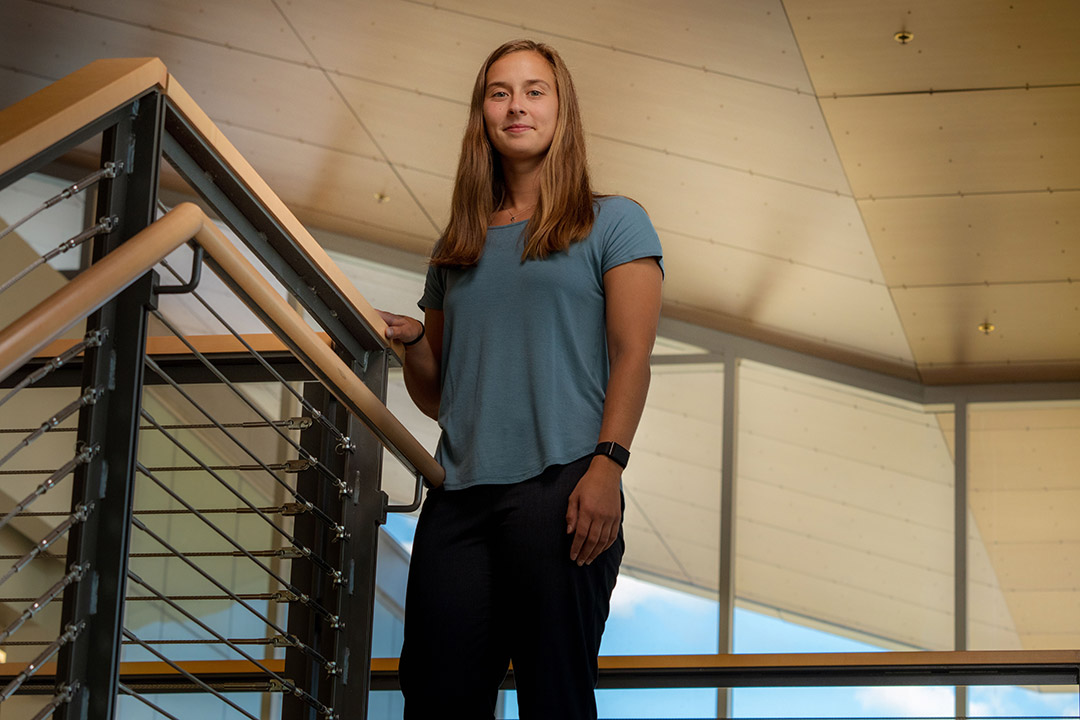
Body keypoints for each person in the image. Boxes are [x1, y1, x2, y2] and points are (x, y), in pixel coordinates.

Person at [377, 38, 663, 720]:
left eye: (535, 90)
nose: (516, 106)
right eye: (500, 92)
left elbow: (633, 355)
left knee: (553, 698)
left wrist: (608, 468)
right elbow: (441, 394)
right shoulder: (459, 244)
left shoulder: (614, 222)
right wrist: (416, 343)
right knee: (435, 697)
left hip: (563, 486)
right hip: (459, 500)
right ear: (483, 113)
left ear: (562, 109)